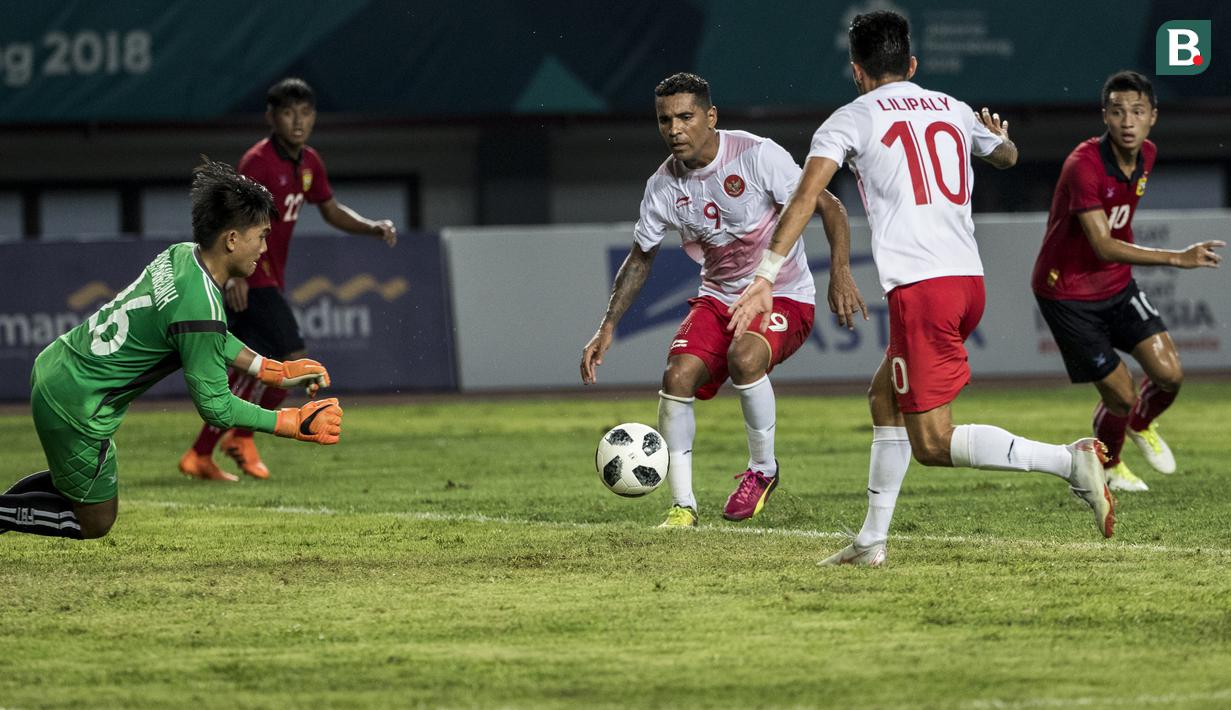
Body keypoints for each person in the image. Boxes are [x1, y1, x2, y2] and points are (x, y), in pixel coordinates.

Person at [728, 11, 1116, 565]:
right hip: (966, 282)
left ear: (857, 71)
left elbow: (807, 195)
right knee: (883, 397)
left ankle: (1069, 461)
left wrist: (764, 276)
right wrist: (1002, 139)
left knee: (932, 443)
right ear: (911, 65)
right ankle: (871, 542)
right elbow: (1006, 155)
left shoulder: (849, 119)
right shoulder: (952, 108)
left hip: (922, 289)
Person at [0, 159, 344, 540]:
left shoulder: (182, 255)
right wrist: (290, 423)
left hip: (59, 366)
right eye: (261, 236)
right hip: (78, 405)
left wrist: (271, 370)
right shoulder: (202, 310)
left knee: (76, 488)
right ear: (231, 239)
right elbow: (215, 404)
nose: (264, 247)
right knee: (94, 520)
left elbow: (200, 332)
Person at [580, 72, 865, 528]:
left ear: (710, 117)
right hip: (718, 298)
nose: (674, 129)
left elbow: (829, 206)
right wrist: (607, 324)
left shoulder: (756, 155)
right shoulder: (661, 188)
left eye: (685, 117)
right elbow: (639, 259)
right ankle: (683, 506)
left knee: (744, 357)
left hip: (784, 295)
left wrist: (842, 271)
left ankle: (763, 470)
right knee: (676, 376)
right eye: (664, 120)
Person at [179, 77, 395, 482]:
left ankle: (201, 453)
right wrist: (232, 276)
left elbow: (329, 210)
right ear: (271, 117)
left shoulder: (309, 162)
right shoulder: (257, 163)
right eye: (288, 112)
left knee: (250, 370)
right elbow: (233, 220)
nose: (298, 121)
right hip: (251, 278)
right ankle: (240, 437)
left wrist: (371, 227)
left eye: (305, 113)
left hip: (268, 279)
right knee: (293, 361)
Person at [1032, 71, 1223, 493]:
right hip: (1068, 294)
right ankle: (1110, 466)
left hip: (1116, 286)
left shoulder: (1148, 155)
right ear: (1105, 116)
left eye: (1137, 112)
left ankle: (1140, 424)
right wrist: (1176, 257)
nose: (1128, 121)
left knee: (1170, 375)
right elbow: (1102, 243)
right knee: (1121, 393)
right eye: (1117, 112)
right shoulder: (1083, 165)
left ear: (1153, 116)